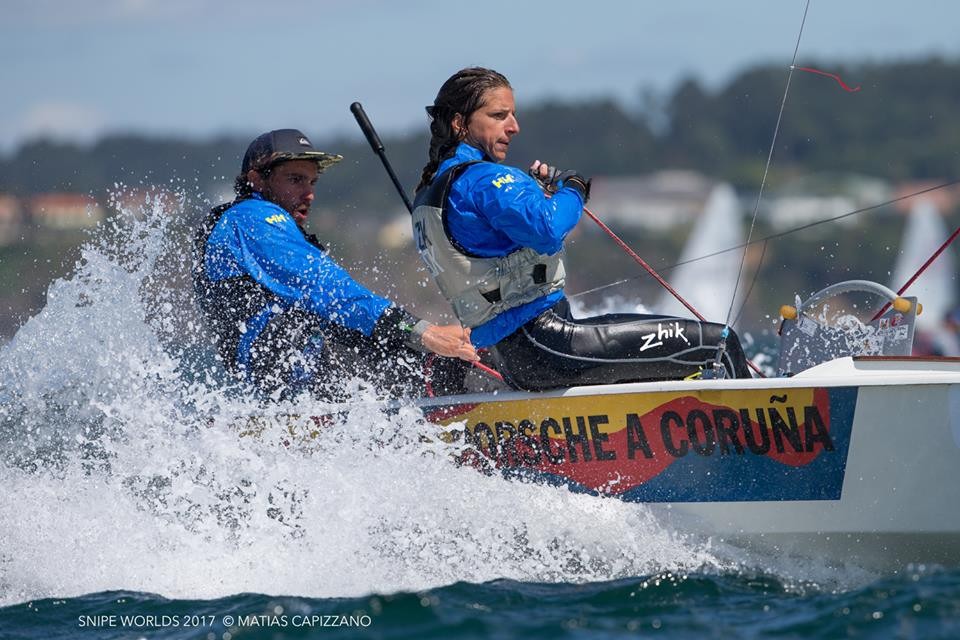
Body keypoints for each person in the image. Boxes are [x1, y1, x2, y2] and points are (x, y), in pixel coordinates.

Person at [411, 68, 751, 391]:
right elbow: (547, 227)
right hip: (547, 344)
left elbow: (497, 234)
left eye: (513, 115)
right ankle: (761, 437)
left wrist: (532, 194)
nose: (514, 127)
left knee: (678, 364)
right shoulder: (483, 180)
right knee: (720, 343)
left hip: (520, 355)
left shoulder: (432, 192)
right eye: (500, 116)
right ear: (459, 123)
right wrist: (572, 187)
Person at [194, 128, 478, 400]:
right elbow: (327, 289)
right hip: (295, 366)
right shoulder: (253, 217)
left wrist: (427, 333)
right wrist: (421, 331)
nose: (309, 194)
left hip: (295, 371)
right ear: (257, 180)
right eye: (295, 180)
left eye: (312, 182)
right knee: (453, 367)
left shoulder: (246, 222)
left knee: (454, 352)